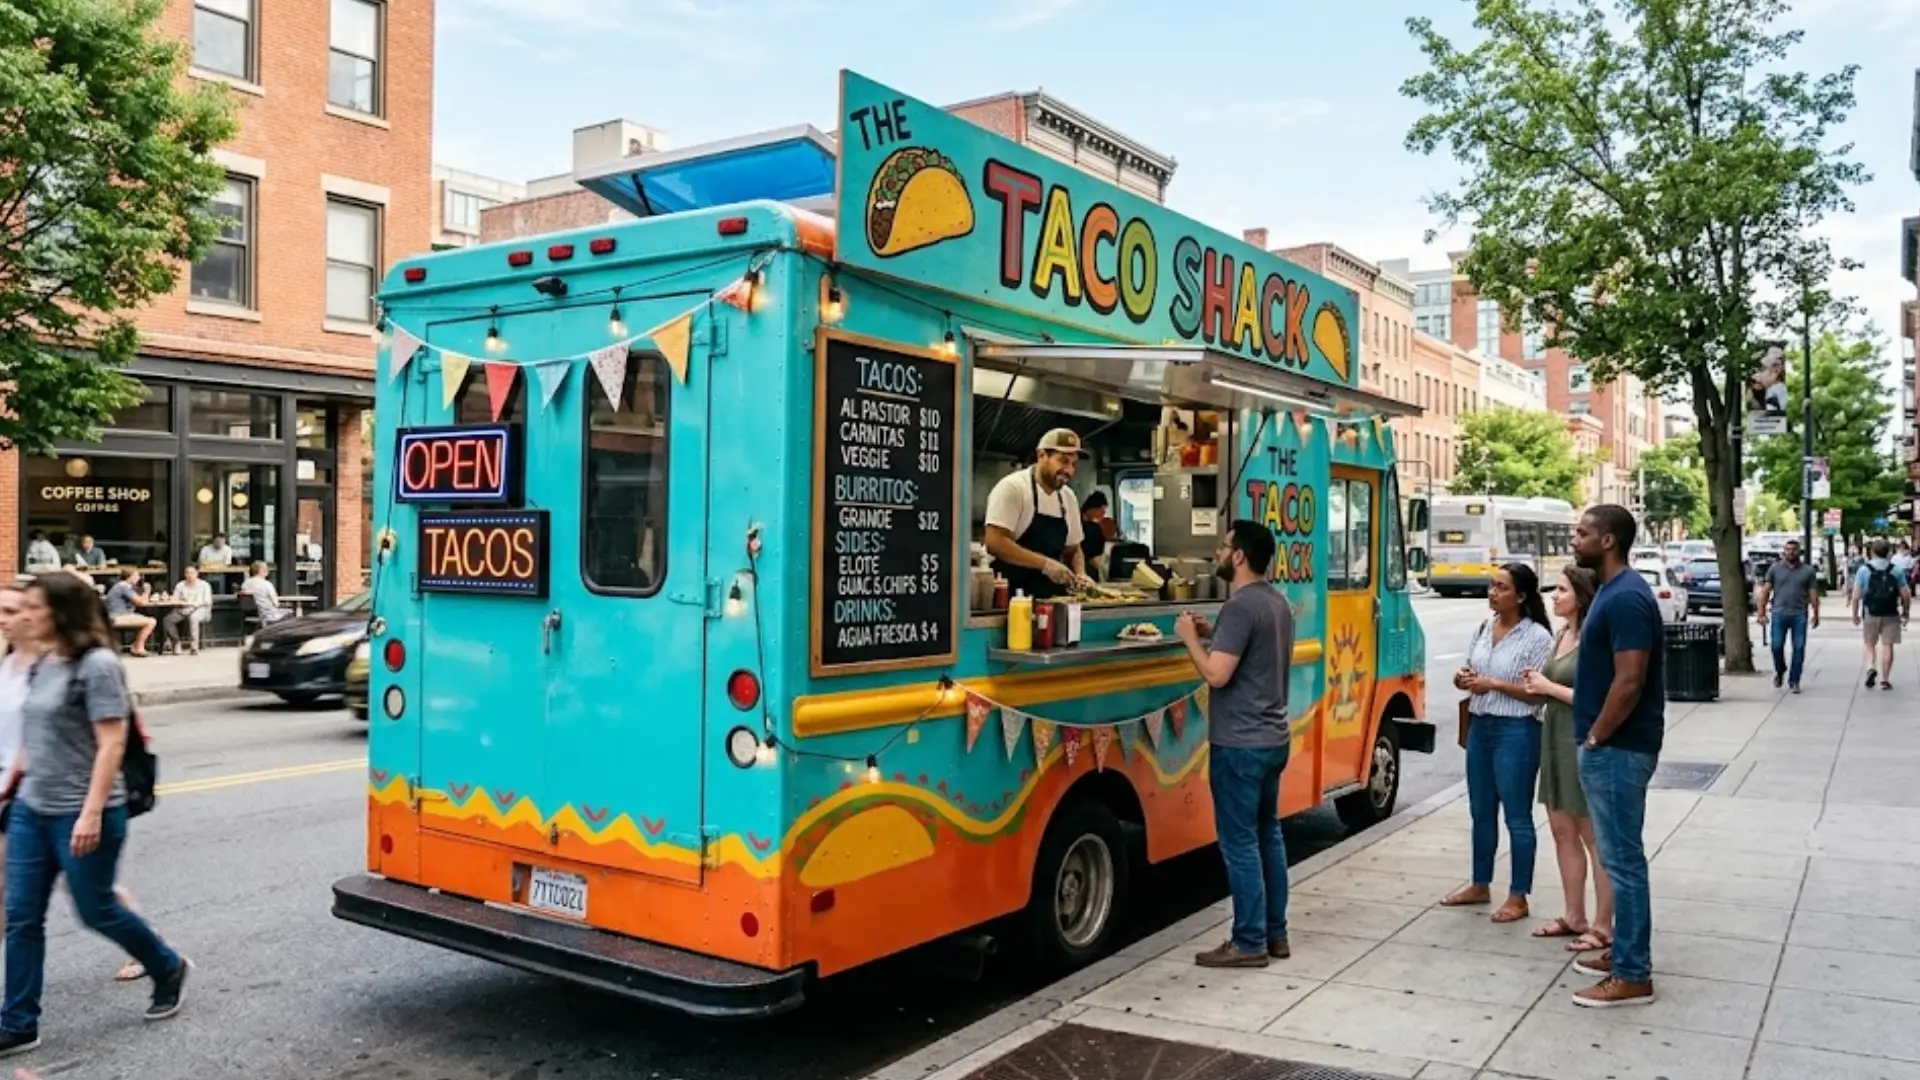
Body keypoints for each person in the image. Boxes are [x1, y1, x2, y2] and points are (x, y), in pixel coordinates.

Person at [0, 573, 191, 1058]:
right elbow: (32, 737)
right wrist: (9, 790)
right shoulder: (42, 661)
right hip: (31, 809)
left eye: (34, 609)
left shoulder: (98, 664)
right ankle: (19, 1022)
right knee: (21, 918)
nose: (25, 616)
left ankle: (167, 965)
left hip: (84, 812)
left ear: (60, 612)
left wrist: (89, 814)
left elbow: (111, 744)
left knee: (95, 909)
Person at [1174, 521, 1296, 968]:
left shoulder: (1241, 606)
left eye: (1224, 547)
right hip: (1272, 738)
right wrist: (1212, 634)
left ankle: (1248, 942)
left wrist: (1189, 639)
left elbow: (1217, 675)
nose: (1218, 554)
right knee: (1269, 836)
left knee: (1240, 842)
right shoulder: (1275, 602)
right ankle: (1275, 933)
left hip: (1240, 742)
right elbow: (1251, 656)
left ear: (1239, 556)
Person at [1567, 504, 1665, 1008]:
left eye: (1582, 533)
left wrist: (1597, 737)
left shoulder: (1626, 597)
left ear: (1608, 541)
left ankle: (1632, 973)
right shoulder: (1612, 591)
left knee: (1623, 861)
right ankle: (1622, 953)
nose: (1573, 538)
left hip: (1619, 749)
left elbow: (1631, 680)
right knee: (1617, 856)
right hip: (1611, 747)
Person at [1441, 564, 1555, 924]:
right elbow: (1469, 670)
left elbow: (1537, 695)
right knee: (1480, 810)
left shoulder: (1537, 638)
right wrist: (1463, 678)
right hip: (1481, 726)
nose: (1492, 592)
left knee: (1517, 817)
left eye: (1501, 588)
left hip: (1516, 731)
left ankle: (1519, 895)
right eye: (1491, 586)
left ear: (1521, 596)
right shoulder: (1483, 628)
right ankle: (1479, 883)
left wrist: (1494, 685)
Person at [1522, 567, 1614, 954]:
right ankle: (1573, 914)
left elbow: (1599, 700)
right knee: (1562, 830)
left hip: (1580, 739)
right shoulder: (1560, 636)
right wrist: (1536, 686)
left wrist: (1548, 687)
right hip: (1553, 738)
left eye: (1561, 590)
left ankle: (1602, 925)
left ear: (1581, 594)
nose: (1553, 596)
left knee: (1594, 837)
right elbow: (1550, 688)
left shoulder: (1595, 640)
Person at [984, 429, 1093, 600]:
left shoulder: (1068, 497)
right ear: (1042, 455)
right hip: (1012, 598)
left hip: (1053, 600)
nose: (1069, 470)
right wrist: (1045, 564)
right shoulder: (1013, 488)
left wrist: (1081, 573)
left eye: (1074, 463)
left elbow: (1073, 549)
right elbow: (995, 542)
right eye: (1063, 461)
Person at [1755, 538, 1819, 693]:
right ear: (1784, 551)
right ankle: (1780, 669)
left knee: (1799, 647)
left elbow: (1813, 594)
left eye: (1793, 550)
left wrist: (1816, 613)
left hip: (1799, 614)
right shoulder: (1775, 569)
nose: (1790, 552)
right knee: (1776, 646)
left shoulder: (1808, 571)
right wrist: (1761, 612)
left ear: (1799, 551)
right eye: (1787, 549)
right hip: (1779, 613)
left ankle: (1794, 680)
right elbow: (1765, 591)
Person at [1855, 539, 1912, 691]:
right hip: (1890, 612)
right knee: (1888, 645)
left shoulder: (1864, 570)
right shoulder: (1896, 570)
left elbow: (1856, 595)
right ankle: (1885, 679)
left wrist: (1855, 613)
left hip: (1871, 612)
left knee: (1869, 643)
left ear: (1872, 551)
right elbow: (1905, 594)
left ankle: (1871, 667)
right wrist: (1906, 611)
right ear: (1889, 552)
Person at [101, 571, 154, 659]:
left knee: (142, 619)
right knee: (151, 622)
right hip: (117, 616)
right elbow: (141, 602)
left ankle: (136, 646)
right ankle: (138, 648)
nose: (138, 578)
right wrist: (147, 591)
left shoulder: (121, 586)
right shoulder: (124, 587)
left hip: (116, 615)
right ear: (129, 577)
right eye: (136, 576)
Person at [162, 567, 213, 656]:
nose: (190, 575)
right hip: (184, 608)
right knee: (167, 620)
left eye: (192, 573)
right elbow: (175, 599)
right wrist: (168, 598)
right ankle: (176, 643)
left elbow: (207, 601)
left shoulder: (204, 585)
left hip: (201, 609)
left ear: (197, 574)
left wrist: (193, 605)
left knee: (193, 617)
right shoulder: (180, 585)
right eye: (187, 573)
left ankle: (194, 647)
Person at [1078, 490, 1117, 582]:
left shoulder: (1099, 525)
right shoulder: (1083, 525)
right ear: (1093, 508)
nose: (1103, 514)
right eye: (1102, 510)